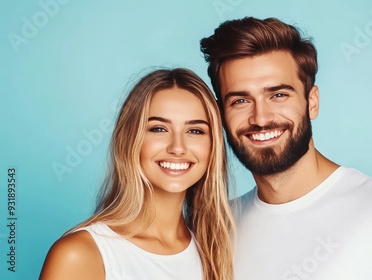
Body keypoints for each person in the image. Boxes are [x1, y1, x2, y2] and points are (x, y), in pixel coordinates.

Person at [200, 17, 372, 280]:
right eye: (241, 100)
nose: (261, 118)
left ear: (312, 102)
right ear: (220, 113)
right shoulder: (217, 228)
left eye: (278, 95)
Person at [40, 68, 235, 280]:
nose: (178, 147)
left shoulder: (215, 253)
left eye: (195, 131)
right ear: (130, 140)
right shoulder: (81, 255)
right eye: (159, 129)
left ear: (213, 145)